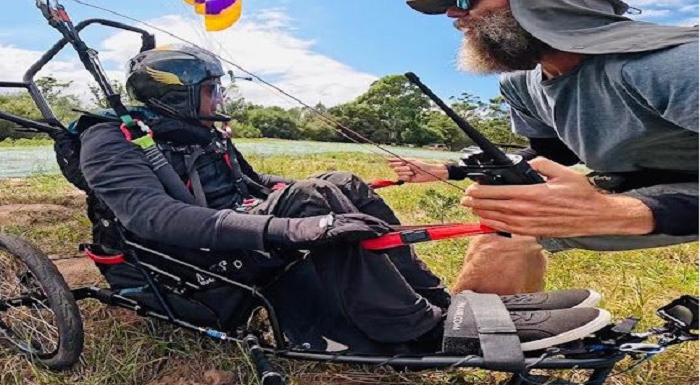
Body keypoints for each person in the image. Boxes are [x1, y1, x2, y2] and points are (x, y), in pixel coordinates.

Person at [78, 44, 610, 356]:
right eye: (212, 89)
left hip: (231, 226)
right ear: (176, 92)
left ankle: (440, 306)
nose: (220, 99)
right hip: (191, 257)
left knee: (341, 183)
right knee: (314, 203)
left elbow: (247, 182)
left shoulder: (198, 131)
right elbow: (154, 217)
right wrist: (291, 226)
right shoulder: (108, 140)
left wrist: (284, 194)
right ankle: (417, 333)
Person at [398, 0, 699, 294]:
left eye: (467, 0)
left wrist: (629, 213)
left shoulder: (667, 65)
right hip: (644, 179)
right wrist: (451, 171)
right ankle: (482, 335)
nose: (454, 14)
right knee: (511, 225)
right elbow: (553, 153)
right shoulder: (520, 83)